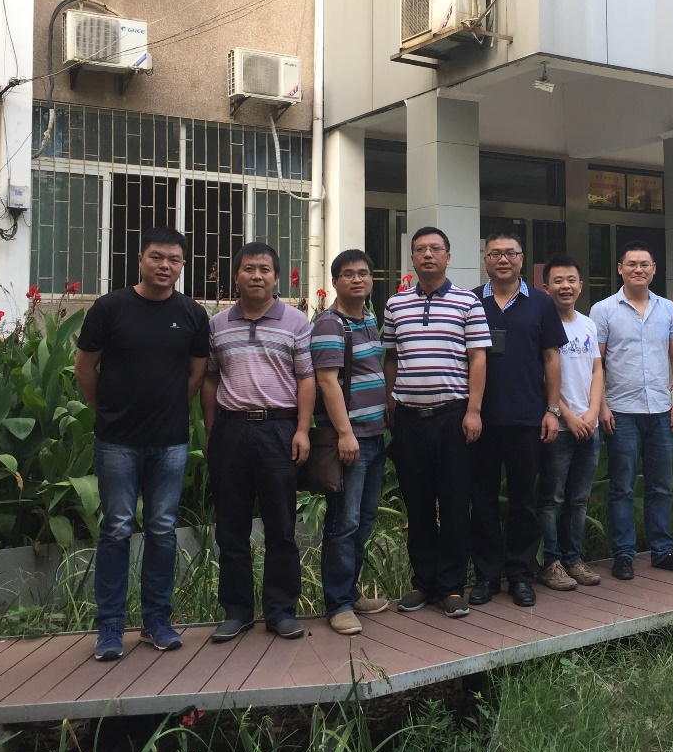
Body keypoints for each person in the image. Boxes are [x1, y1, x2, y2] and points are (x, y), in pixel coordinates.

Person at [75, 227, 211, 662]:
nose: (164, 266)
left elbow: (196, 373)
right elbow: (84, 367)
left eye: (174, 259)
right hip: (116, 441)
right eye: (156, 257)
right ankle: (110, 626)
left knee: (162, 529)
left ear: (183, 265)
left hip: (170, 443)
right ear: (140, 259)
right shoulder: (110, 308)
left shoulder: (192, 314)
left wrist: (170, 409)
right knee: (116, 528)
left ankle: (156, 620)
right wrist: (106, 410)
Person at [200, 242, 314, 642]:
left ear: (277, 277)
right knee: (230, 528)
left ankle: (281, 611)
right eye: (249, 268)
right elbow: (210, 379)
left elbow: (306, 379)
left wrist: (302, 429)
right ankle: (237, 611)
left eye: (265, 269)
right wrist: (211, 432)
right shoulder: (217, 324)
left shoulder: (296, 321)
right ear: (236, 276)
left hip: (278, 430)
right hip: (230, 431)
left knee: (281, 526)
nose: (257, 276)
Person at [382, 227, 490, 618]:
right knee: (418, 503)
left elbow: (478, 358)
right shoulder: (395, 304)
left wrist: (473, 411)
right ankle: (422, 583)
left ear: (448, 256)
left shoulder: (468, 302)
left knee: (455, 502)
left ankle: (452, 586)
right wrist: (390, 403)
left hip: (453, 417)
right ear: (412, 258)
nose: (427, 255)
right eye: (420, 249)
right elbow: (391, 358)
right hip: (410, 419)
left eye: (435, 249)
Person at [469, 232, 566, 608]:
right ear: (486, 260)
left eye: (510, 253)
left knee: (524, 501)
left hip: (527, 418)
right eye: (495, 253)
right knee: (482, 500)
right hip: (480, 420)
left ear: (522, 259)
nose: (503, 259)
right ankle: (487, 576)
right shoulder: (471, 301)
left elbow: (551, 357)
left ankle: (521, 575)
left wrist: (552, 409)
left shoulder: (541, 303)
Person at [589, 241, 673, 581]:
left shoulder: (668, 309)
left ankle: (662, 550)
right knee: (621, 487)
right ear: (620, 268)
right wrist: (601, 405)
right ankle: (623, 554)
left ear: (654, 270)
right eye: (631, 264)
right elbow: (596, 363)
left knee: (661, 485)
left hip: (661, 411)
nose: (638, 269)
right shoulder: (603, 310)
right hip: (621, 412)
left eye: (644, 264)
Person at [312, 249, 390, 636]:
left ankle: (350, 591)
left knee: (364, 519)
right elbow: (327, 381)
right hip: (352, 439)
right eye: (348, 274)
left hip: (375, 436)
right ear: (335, 282)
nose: (357, 279)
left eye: (363, 273)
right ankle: (338, 604)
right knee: (344, 522)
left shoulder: (369, 319)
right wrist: (345, 433)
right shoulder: (330, 323)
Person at [536, 255, 604, 591]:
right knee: (553, 499)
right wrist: (568, 415)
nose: (565, 286)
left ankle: (573, 558)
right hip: (559, 427)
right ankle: (551, 563)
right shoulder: (541, 324)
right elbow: (541, 375)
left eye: (571, 280)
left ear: (580, 285)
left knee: (579, 498)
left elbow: (596, 369)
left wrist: (592, 412)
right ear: (545, 286)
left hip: (588, 426)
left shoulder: (588, 323)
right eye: (558, 281)